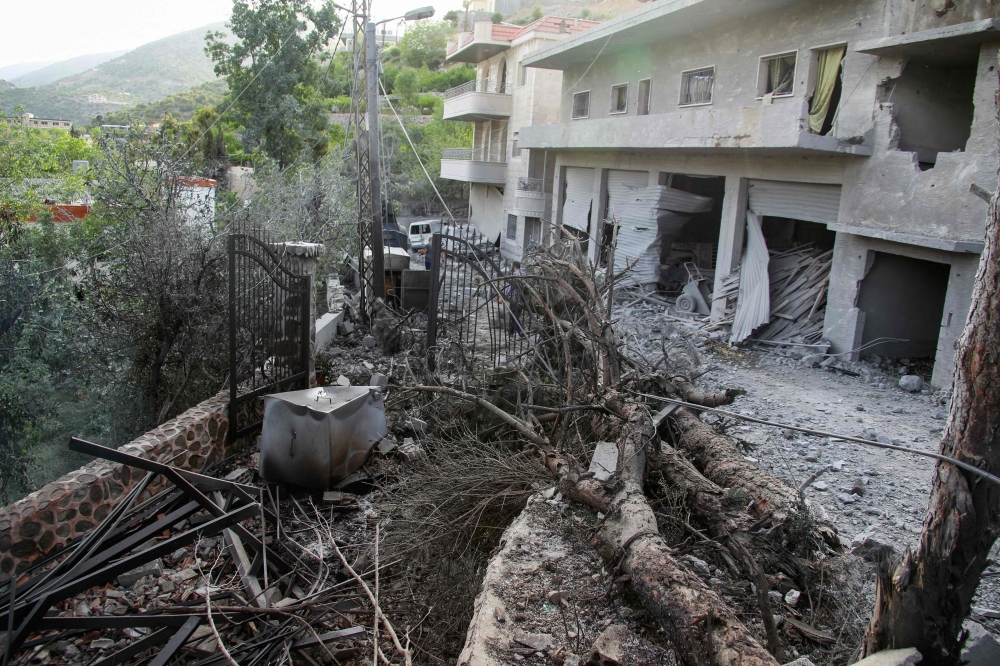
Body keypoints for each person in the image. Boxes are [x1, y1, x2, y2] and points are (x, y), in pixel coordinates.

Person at [505, 261, 526, 337]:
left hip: (515, 299)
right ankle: (510, 331)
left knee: (513, 317)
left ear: (514, 267)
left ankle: (521, 333)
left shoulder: (515, 275)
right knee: (515, 315)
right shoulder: (524, 274)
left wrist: (503, 296)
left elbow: (510, 287)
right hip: (522, 300)